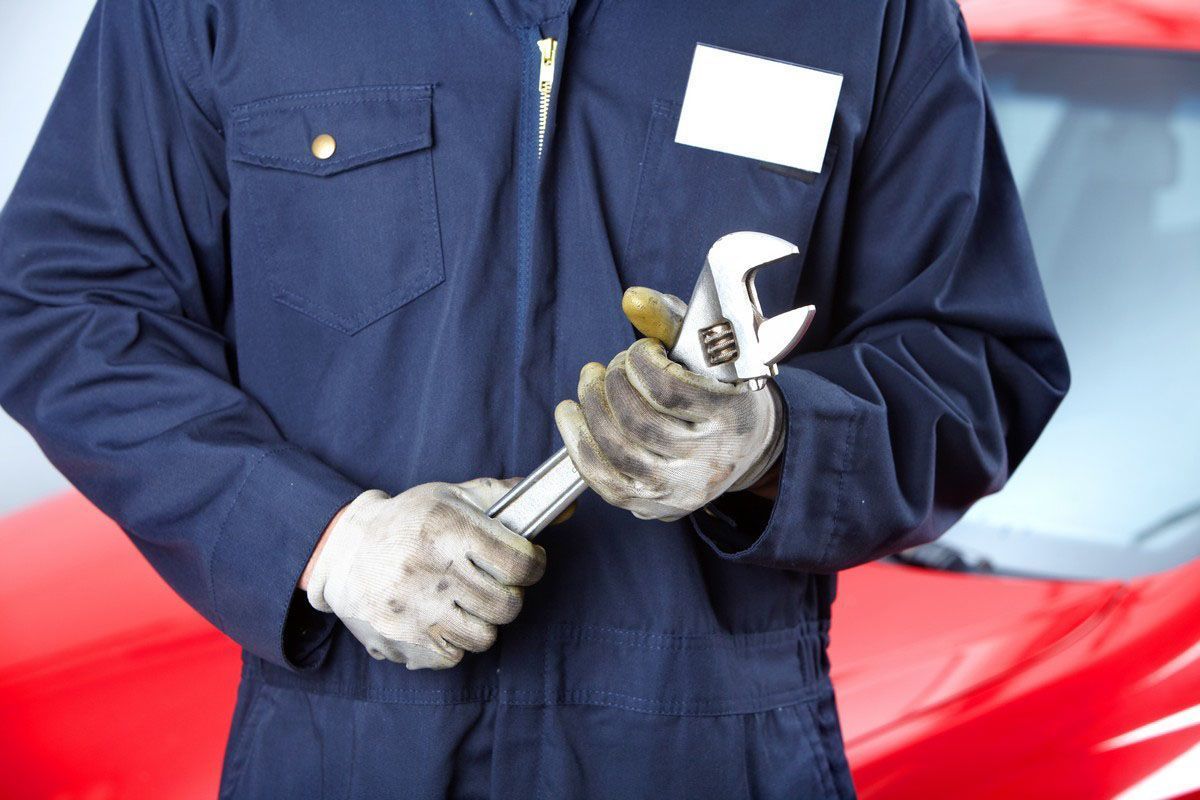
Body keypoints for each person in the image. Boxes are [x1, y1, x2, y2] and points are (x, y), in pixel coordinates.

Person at [0, 0, 1068, 796]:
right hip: (347, 751)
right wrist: (321, 540)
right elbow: (60, 303)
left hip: (710, 750)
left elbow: (979, 364)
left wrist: (774, 440)